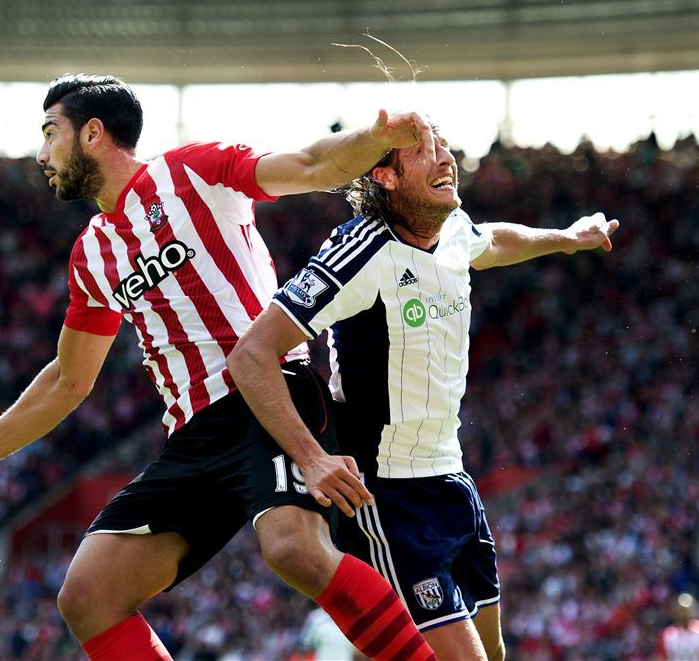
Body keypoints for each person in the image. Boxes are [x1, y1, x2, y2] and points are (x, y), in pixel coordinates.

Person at [0, 73, 438, 661]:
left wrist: (375, 136)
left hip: (268, 390)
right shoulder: (91, 253)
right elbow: (67, 379)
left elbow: (310, 166)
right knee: (88, 596)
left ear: (93, 134)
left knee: (294, 550)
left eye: (51, 134)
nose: (41, 154)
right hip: (194, 434)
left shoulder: (192, 171)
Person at [225, 124, 620, 661]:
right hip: (388, 496)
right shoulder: (361, 253)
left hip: (452, 479)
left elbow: (493, 240)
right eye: (423, 152)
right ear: (385, 177)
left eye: (444, 147)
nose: (446, 159)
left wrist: (568, 239)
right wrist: (312, 459)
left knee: (493, 652)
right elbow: (250, 355)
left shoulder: (453, 229)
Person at [656, 593, 699, 661]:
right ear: (676, 612)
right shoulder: (667, 634)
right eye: (681, 610)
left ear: (694, 610)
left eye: (687, 610)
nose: (684, 613)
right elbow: (661, 658)